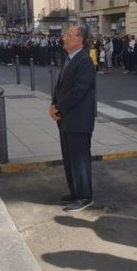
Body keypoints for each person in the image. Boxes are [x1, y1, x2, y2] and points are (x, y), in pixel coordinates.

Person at [50, 26, 96, 212]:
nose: (64, 38)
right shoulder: (69, 59)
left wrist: (59, 106)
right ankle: (75, 191)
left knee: (79, 160)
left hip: (79, 119)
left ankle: (85, 197)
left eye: (68, 35)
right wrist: (54, 105)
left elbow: (78, 91)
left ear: (80, 40)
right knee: (69, 158)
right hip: (66, 118)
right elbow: (62, 87)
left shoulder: (84, 61)